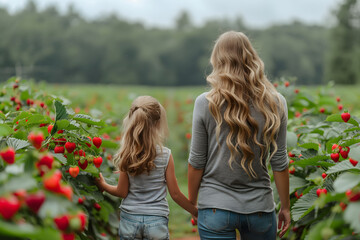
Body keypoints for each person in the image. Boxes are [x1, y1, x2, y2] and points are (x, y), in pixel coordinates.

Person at [187, 31, 291, 240]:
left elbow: (197, 161)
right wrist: (286, 207)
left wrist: (193, 204)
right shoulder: (276, 102)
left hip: (215, 208)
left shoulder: (205, 102)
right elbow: (279, 161)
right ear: (251, 58)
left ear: (217, 61)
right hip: (260, 209)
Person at [96, 95, 198, 240]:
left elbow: (122, 191)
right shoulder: (165, 155)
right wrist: (195, 211)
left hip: (130, 219)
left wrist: (103, 185)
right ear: (157, 123)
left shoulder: (127, 154)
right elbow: (175, 194)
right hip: (157, 220)